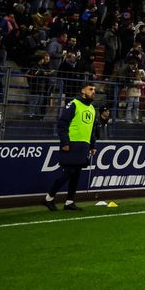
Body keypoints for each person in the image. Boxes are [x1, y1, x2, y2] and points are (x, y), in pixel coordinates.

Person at [44, 81, 98, 212]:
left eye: (94, 89)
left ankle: (69, 202)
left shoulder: (92, 108)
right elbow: (62, 124)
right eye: (90, 89)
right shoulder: (74, 104)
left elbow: (91, 129)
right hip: (72, 143)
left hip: (83, 145)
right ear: (83, 91)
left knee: (76, 174)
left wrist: (92, 145)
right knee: (68, 172)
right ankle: (49, 198)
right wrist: (65, 142)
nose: (93, 92)